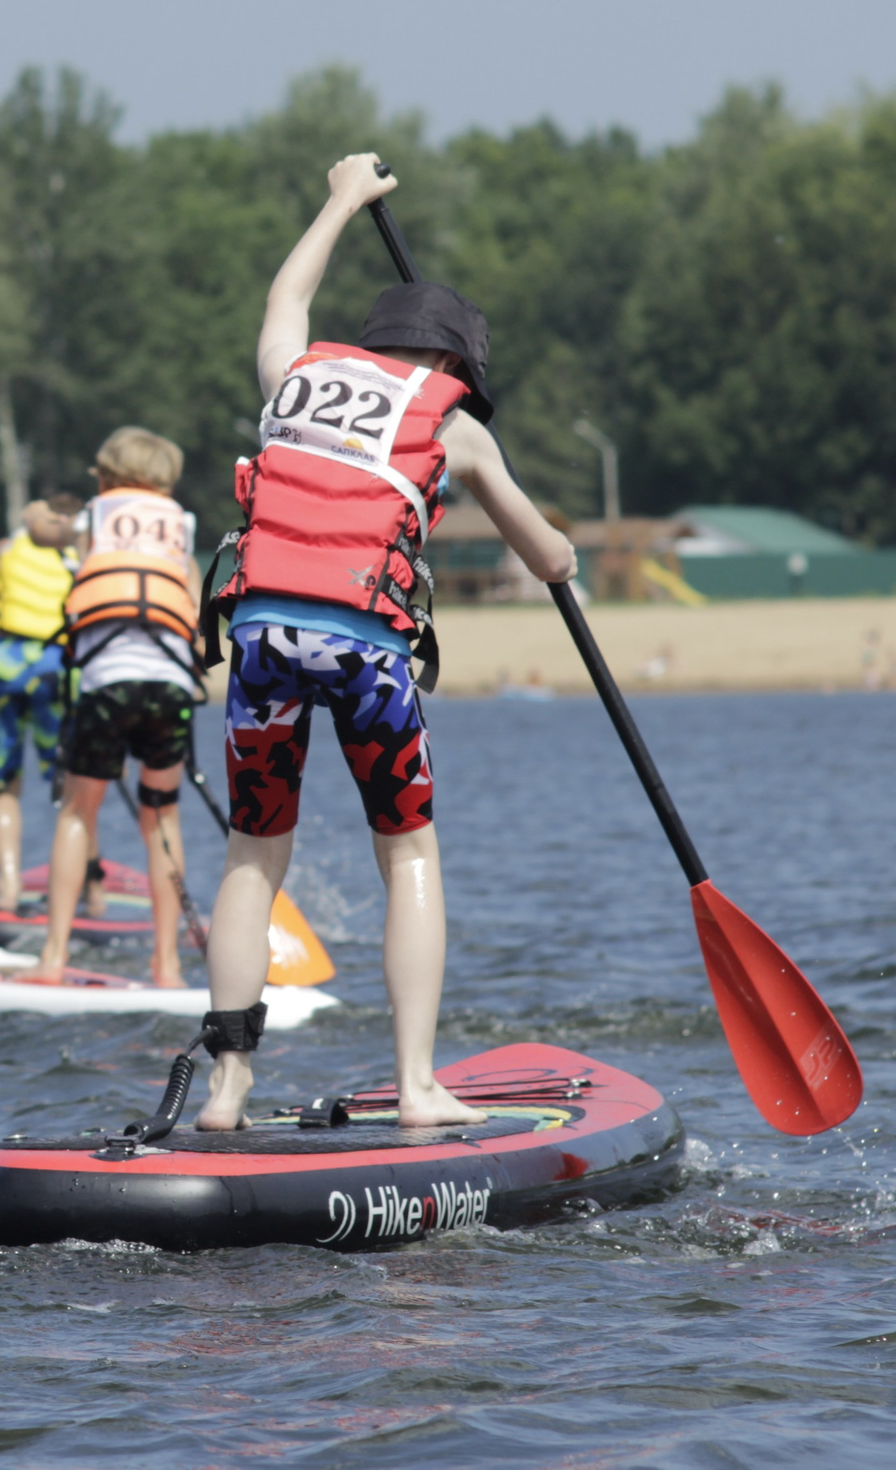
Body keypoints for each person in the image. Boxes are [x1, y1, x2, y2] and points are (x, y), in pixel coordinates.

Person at [195, 153, 576, 1131]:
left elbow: (287, 294)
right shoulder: (456, 431)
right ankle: (415, 1083)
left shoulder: (293, 378)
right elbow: (544, 553)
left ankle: (228, 1088)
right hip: (363, 646)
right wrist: (563, 555)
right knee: (406, 852)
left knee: (252, 853)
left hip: (263, 636)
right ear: (449, 370)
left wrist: (339, 202)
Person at [31, 428, 203, 989]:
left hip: (107, 682)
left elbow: (46, 534)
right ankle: (168, 967)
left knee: (80, 812)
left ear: (106, 476)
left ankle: (53, 958)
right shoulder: (182, 524)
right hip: (170, 689)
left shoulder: (94, 515)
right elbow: (194, 611)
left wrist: (38, 517)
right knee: (163, 818)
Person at [0, 494, 80, 911]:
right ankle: (85, 892)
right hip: (54, 669)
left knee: (3, 783)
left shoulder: (4, 549)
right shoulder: (75, 552)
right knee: (75, 788)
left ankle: (9, 886)